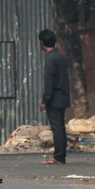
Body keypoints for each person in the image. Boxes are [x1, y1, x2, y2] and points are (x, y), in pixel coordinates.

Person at [39, 29, 70, 165]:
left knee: (56, 128)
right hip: (63, 96)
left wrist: (44, 100)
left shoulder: (50, 58)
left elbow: (49, 80)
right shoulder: (61, 56)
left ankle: (58, 157)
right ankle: (61, 155)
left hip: (54, 98)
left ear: (41, 42)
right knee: (60, 128)